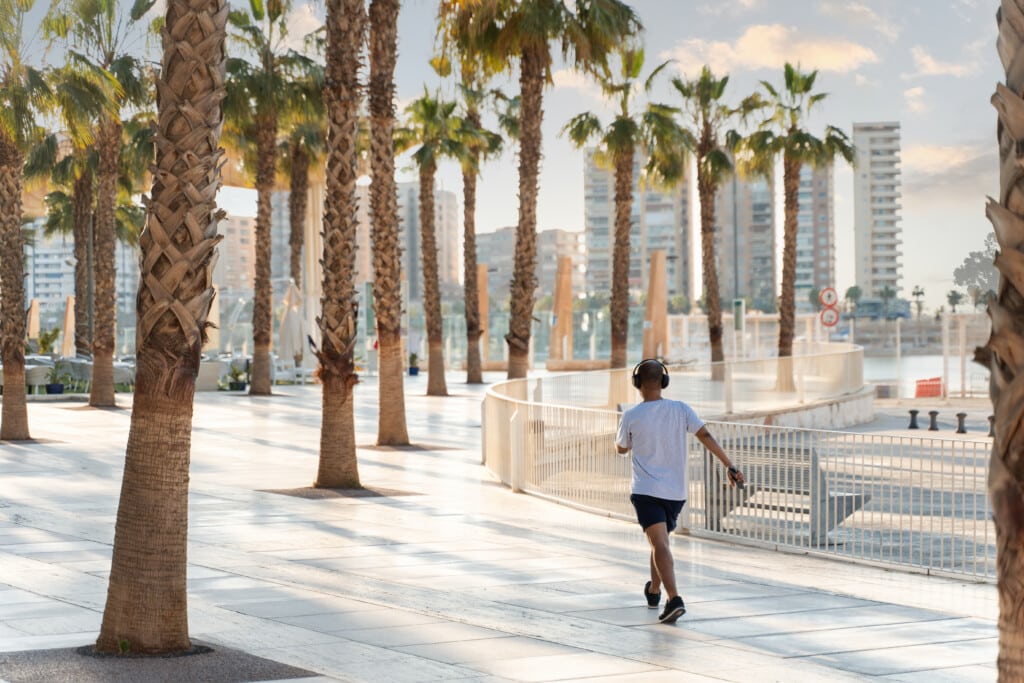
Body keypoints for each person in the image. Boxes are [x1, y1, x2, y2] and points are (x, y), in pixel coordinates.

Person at [616, 358, 744, 624]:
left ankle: (673, 598)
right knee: (659, 541)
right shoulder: (681, 409)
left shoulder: (631, 415)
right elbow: (706, 436)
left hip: (646, 490)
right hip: (675, 492)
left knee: (659, 543)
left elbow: (621, 448)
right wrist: (730, 465)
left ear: (637, 384)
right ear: (664, 382)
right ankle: (654, 590)